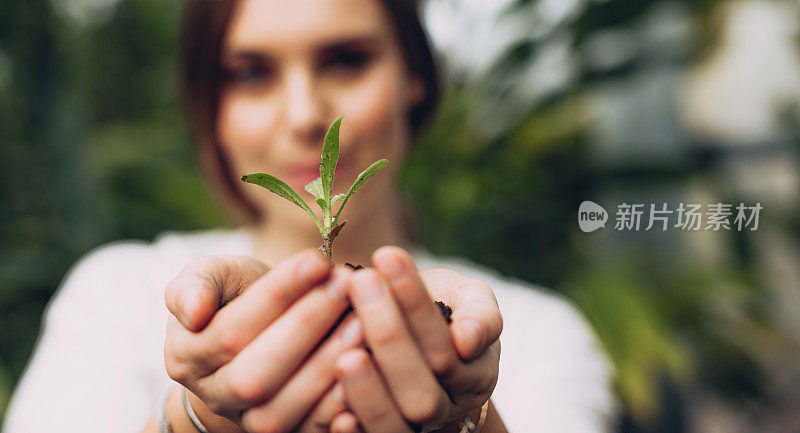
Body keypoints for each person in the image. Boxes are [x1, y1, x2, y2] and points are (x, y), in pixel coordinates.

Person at [1, 0, 616, 432]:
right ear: (210, 105)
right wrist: (197, 420)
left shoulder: (524, 331)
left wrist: (468, 418)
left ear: (416, 78)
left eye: (346, 60)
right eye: (251, 73)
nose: (303, 114)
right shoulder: (121, 296)